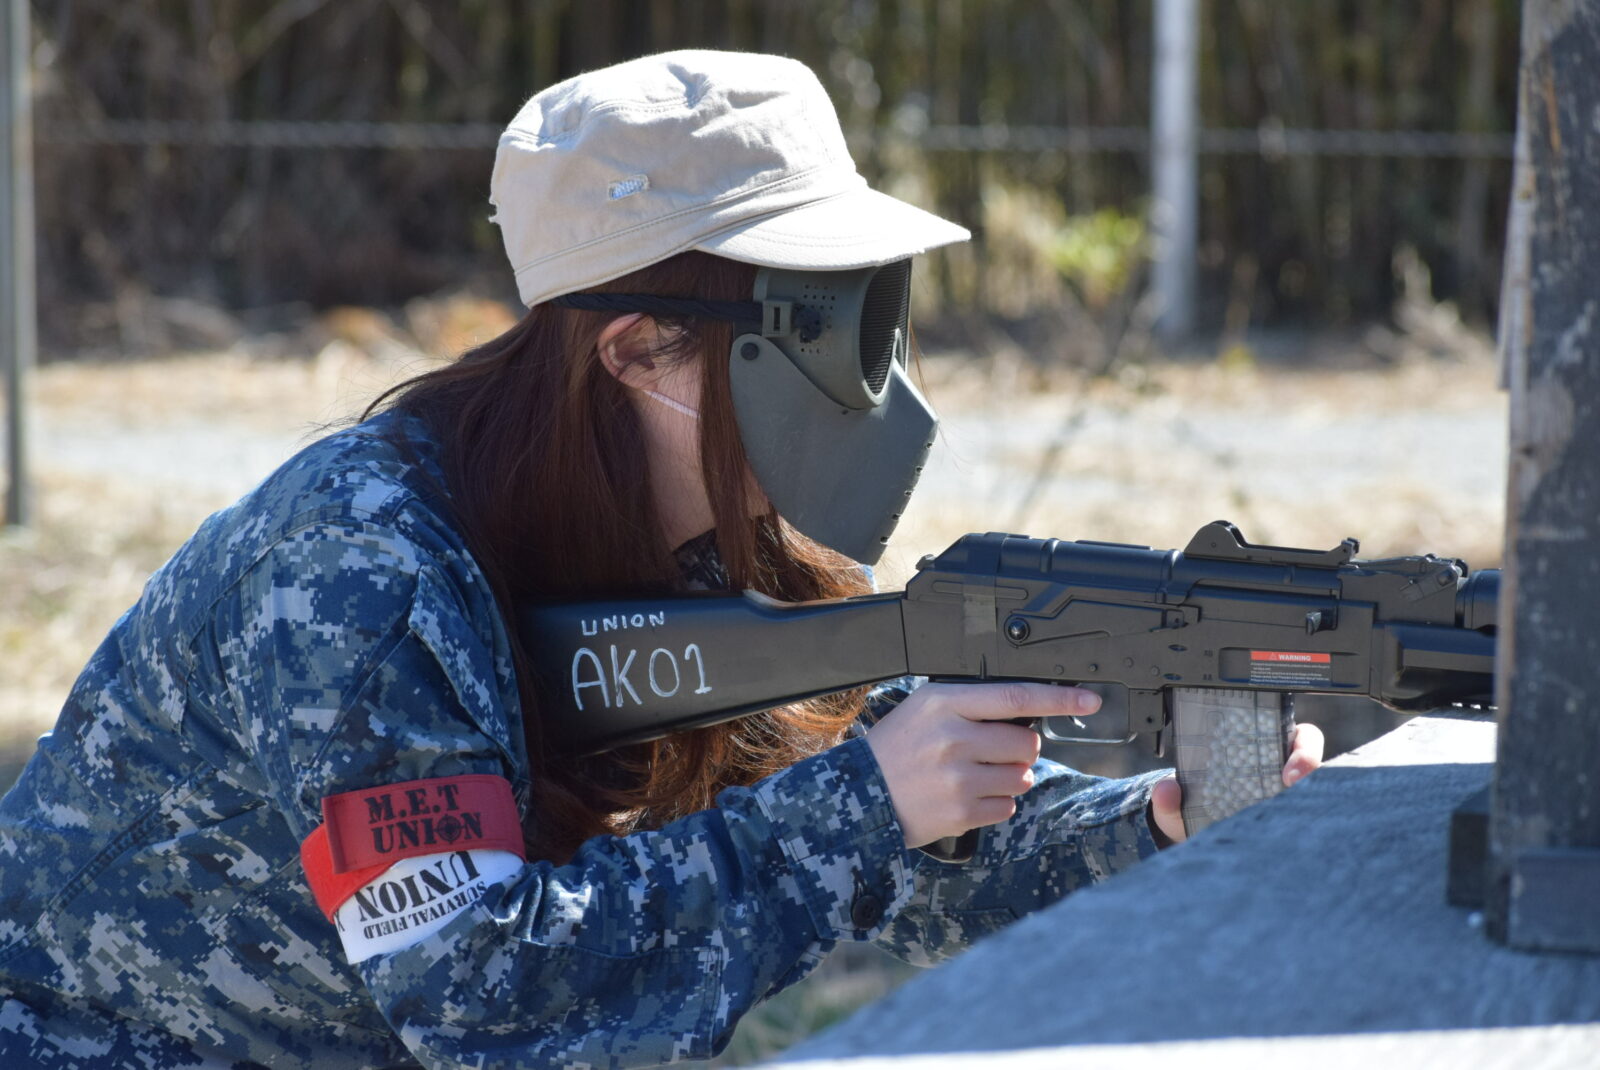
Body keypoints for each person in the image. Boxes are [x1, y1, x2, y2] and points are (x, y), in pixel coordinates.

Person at [0, 51, 1321, 1068]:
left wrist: (1150, 824)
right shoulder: (358, 575)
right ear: (637, 351)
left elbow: (893, 845)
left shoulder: (666, 531)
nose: (862, 384)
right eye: (816, 328)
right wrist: (867, 801)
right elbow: (488, 1002)